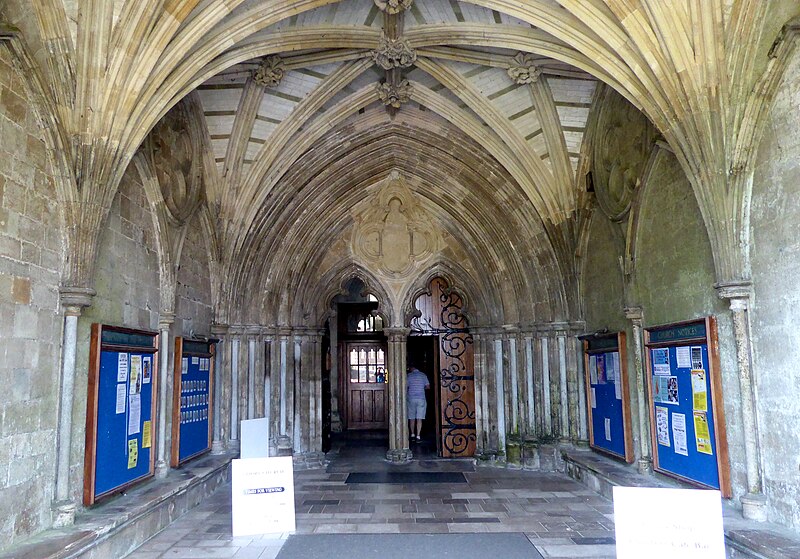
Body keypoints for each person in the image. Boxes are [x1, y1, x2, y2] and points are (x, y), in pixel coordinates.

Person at [406, 363, 430, 443]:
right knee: (419, 418)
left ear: (412, 368)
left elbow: (406, 386)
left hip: (411, 398)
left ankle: (412, 434)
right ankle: (418, 436)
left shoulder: (409, 376)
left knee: (411, 417)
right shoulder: (423, 375)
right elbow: (428, 386)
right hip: (421, 399)